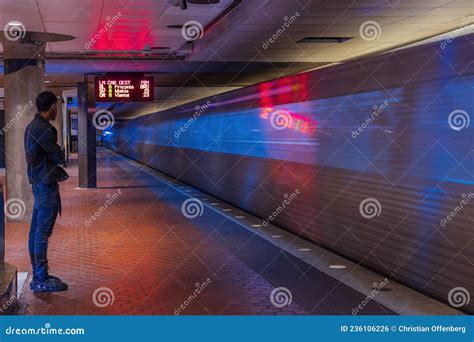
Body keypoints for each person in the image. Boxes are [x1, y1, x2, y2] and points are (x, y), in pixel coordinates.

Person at [24, 91, 69, 292]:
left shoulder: (32, 126)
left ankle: (39, 274)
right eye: (56, 107)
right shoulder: (42, 128)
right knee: (41, 234)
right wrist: (60, 153)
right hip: (46, 185)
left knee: (35, 232)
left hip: (40, 183)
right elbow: (58, 156)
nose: (56, 110)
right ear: (51, 107)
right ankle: (40, 278)